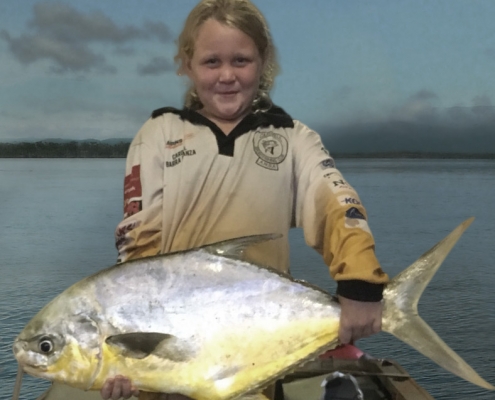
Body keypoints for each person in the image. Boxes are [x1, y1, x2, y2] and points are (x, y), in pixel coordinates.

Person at [104, 0, 389, 399]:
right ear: (187, 63)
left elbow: (336, 204)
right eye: (211, 62)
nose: (226, 76)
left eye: (241, 60)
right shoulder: (158, 134)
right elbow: (139, 247)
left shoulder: (292, 138)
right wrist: (127, 347)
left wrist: (360, 283)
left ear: (263, 61)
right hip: (168, 368)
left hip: (254, 358)